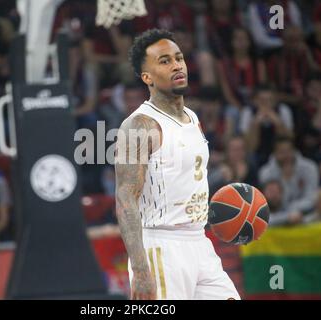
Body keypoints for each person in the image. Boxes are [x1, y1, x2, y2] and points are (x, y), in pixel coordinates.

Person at [115, 29, 240, 300]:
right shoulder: (140, 125)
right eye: (164, 61)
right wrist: (140, 269)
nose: (176, 65)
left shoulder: (192, 117)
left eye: (179, 58)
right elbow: (125, 201)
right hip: (161, 246)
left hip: (199, 241)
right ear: (146, 77)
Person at [259, 136, 320, 224]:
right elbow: (268, 203)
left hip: (306, 214)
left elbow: (312, 198)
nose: (286, 156)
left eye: (288, 151)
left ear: (294, 151)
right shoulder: (265, 172)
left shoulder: (310, 168)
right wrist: (285, 180)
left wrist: (293, 209)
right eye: (281, 152)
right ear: (275, 153)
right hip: (276, 217)